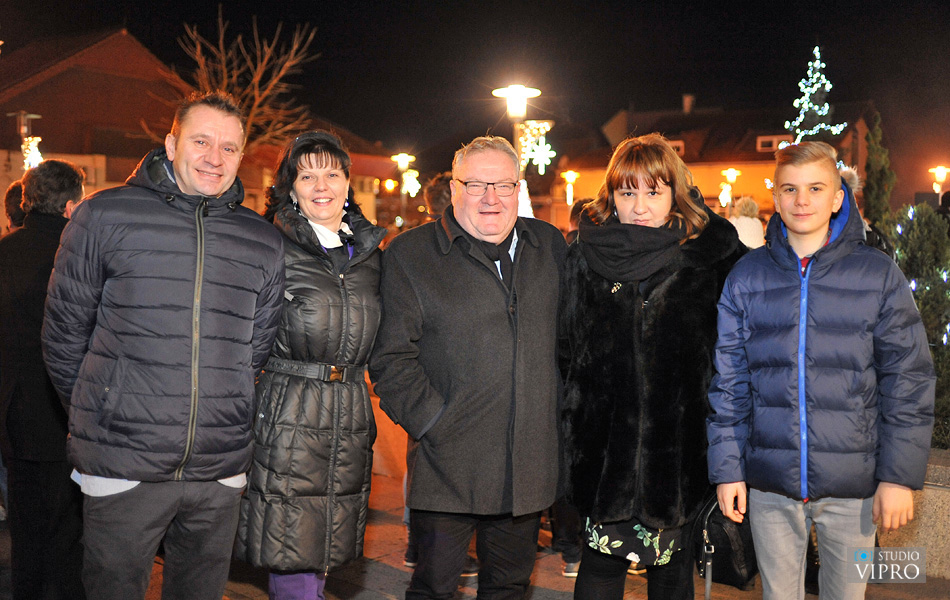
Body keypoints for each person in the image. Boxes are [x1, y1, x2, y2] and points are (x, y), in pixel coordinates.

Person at [41, 91, 285, 600]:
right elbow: (63, 336)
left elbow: (254, 349)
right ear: (171, 145)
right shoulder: (103, 215)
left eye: (229, 147)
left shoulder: (261, 239)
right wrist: (104, 409)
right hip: (123, 464)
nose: (214, 158)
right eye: (201, 141)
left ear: (241, 156)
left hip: (218, 470)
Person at [708, 141, 935, 600]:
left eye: (816, 188)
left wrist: (897, 477)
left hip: (854, 487)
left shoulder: (877, 275)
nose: (802, 200)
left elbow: (907, 378)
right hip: (771, 486)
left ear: (837, 198)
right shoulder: (746, 277)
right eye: (790, 189)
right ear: (776, 197)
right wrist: (727, 470)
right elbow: (729, 383)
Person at [369, 135, 567, 600]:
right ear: (454, 189)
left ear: (519, 189)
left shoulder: (549, 246)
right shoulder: (411, 255)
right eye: (476, 185)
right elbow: (391, 358)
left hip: (526, 466)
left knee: (510, 587)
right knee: (434, 587)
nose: (490, 198)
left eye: (503, 185)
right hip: (447, 466)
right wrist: (435, 423)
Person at [559, 133, 744, 600]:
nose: (640, 207)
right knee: (599, 569)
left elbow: (737, 357)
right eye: (627, 192)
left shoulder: (711, 260)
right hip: (605, 458)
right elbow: (565, 352)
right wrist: (572, 432)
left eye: (653, 192)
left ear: (674, 194)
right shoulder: (583, 259)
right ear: (611, 197)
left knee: (672, 576)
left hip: (679, 459)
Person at [234, 131, 387, 600]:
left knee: (324, 550)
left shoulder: (369, 254)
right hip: (289, 415)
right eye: (307, 176)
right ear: (291, 187)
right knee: (293, 550)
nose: (322, 186)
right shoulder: (270, 245)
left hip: (350, 414)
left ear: (347, 182)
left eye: (332, 174)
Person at [0, 160, 86, 599]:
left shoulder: (5, 252)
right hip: (71, 412)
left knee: (26, 531)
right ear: (71, 206)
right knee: (70, 537)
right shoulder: (80, 255)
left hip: (16, 415)